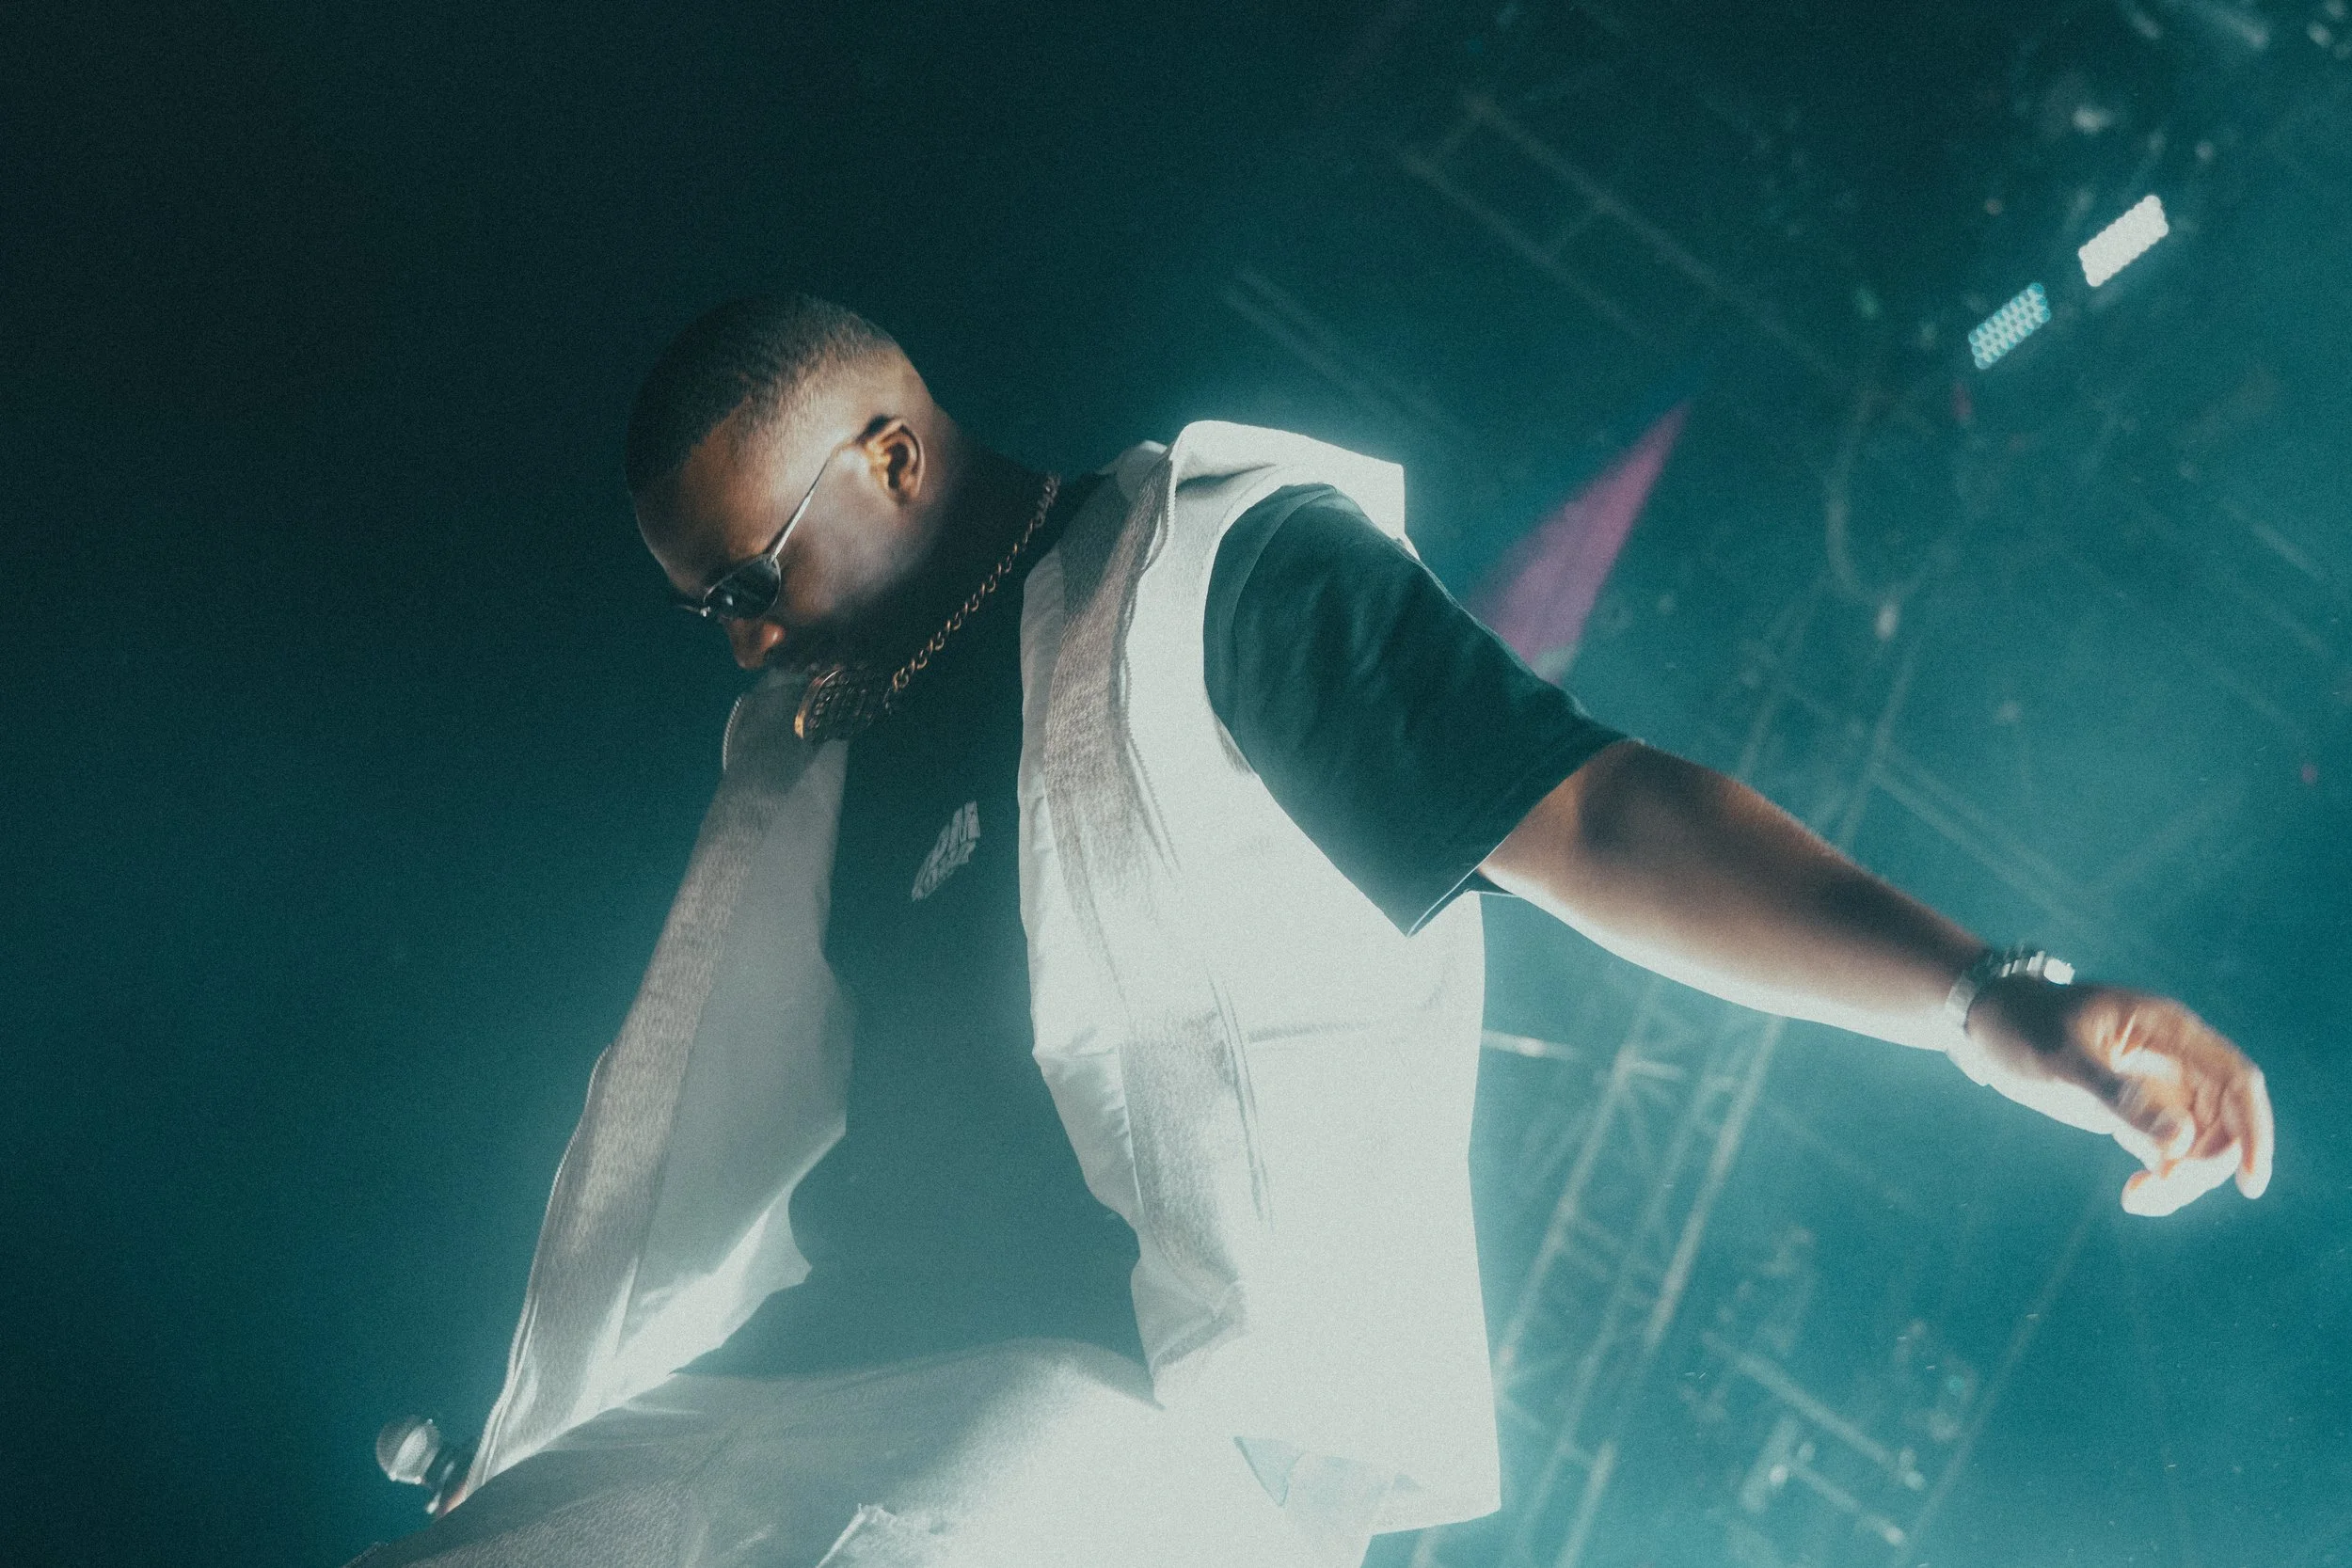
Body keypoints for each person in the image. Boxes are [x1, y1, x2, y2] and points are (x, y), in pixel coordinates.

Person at [353, 295, 2273, 1568]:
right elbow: (697, 1140)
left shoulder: (1214, 572)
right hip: (795, 1367)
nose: (749, 640)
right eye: (710, 612)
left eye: (754, 579)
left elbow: (1587, 805)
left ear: (897, 456)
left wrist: (1978, 991)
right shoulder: (801, 766)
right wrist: (547, 1429)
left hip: (1098, 1409)